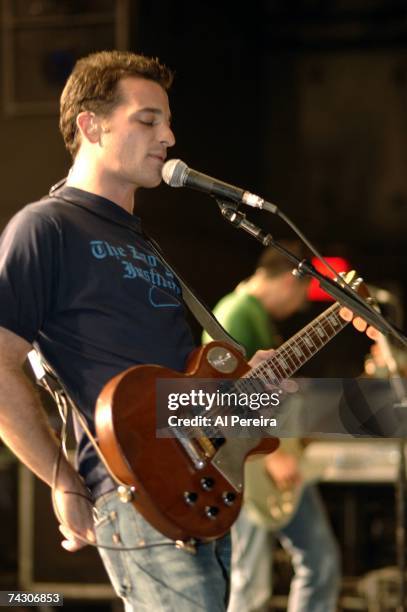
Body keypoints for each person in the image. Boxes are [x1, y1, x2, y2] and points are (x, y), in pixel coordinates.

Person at [0, 50, 376, 611]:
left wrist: (251, 383)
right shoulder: (45, 227)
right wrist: (61, 477)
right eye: (148, 120)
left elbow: (181, 387)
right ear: (90, 125)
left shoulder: (146, 246)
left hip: (200, 487)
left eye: (168, 121)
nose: (169, 136)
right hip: (132, 492)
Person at [203, 246, 341, 612]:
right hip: (253, 462)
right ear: (287, 281)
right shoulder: (238, 313)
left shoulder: (252, 315)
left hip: (270, 457)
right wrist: (278, 453)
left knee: (319, 560)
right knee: (251, 580)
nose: (298, 308)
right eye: (300, 296)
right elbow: (230, 395)